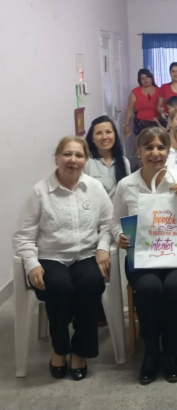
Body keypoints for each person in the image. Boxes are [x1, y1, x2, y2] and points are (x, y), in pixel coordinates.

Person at [111, 127, 177, 385]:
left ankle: (171, 351)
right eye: (149, 147)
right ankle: (152, 352)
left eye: (161, 147)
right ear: (139, 151)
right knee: (149, 288)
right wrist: (119, 235)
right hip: (143, 254)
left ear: (168, 151)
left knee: (175, 286)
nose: (155, 153)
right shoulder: (126, 185)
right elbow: (114, 221)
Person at [13, 137, 113, 381]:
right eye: (67, 154)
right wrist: (32, 263)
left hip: (86, 253)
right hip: (51, 256)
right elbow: (23, 235)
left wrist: (102, 248)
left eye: (79, 155)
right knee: (58, 286)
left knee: (91, 284)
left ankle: (80, 351)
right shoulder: (40, 191)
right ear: (56, 158)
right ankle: (59, 349)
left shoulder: (95, 187)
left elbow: (109, 223)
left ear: (85, 160)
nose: (73, 160)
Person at [84, 116, 131, 199]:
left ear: (115, 135)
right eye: (98, 133)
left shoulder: (124, 161)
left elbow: (128, 192)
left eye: (108, 132)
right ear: (92, 139)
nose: (104, 137)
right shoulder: (86, 162)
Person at [125, 69, 163, 138]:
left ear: (151, 77)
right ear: (140, 81)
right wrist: (126, 125)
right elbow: (129, 110)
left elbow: (164, 109)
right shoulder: (135, 92)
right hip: (140, 125)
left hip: (157, 124)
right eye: (142, 78)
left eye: (147, 77)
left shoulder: (160, 91)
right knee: (142, 143)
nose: (145, 80)